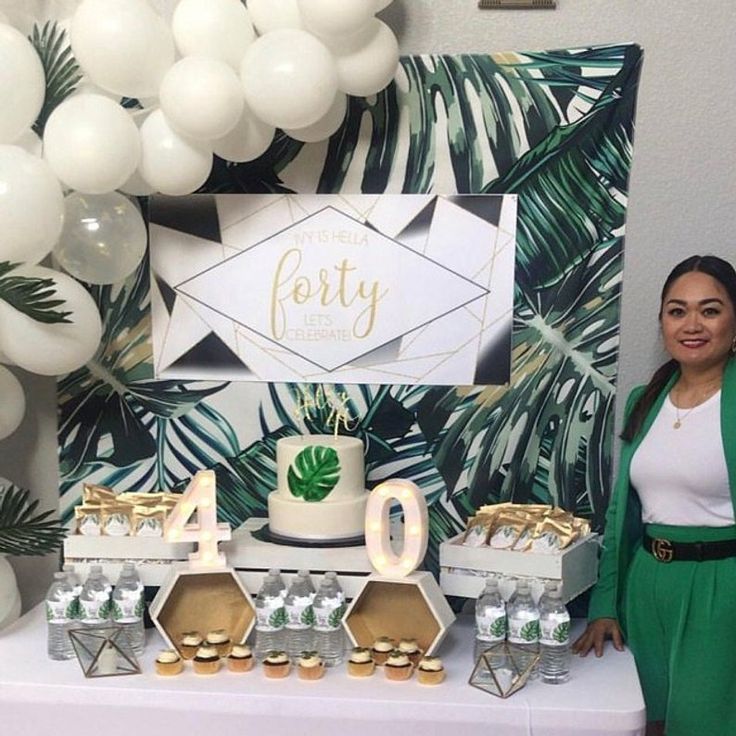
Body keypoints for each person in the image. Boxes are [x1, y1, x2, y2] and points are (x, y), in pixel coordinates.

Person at [572, 254, 736, 736]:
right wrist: (606, 604)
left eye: (710, 310)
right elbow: (624, 512)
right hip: (646, 587)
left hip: (720, 590)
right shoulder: (649, 395)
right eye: (676, 310)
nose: (692, 324)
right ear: (663, 321)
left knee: (705, 725)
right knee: (644, 723)